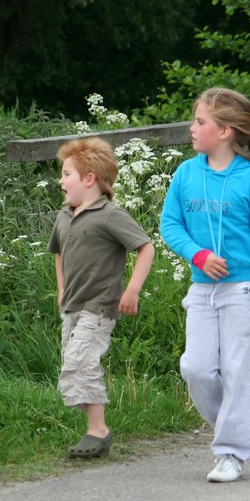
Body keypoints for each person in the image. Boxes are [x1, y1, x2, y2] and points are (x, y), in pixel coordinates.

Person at [160, 87, 250, 483]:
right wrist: (197, 255)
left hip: (245, 290)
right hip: (202, 290)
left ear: (225, 131)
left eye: (200, 122)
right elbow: (170, 225)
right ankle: (233, 431)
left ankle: (231, 452)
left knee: (236, 371)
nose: (192, 128)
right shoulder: (185, 174)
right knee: (195, 368)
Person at [47, 137, 155, 458]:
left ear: (89, 179)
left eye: (67, 174)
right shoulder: (64, 215)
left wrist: (132, 290)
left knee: (82, 362)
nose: (61, 181)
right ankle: (94, 423)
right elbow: (57, 252)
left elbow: (146, 247)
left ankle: (99, 431)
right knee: (72, 364)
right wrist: (61, 288)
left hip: (99, 306)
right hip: (72, 305)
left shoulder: (110, 215)